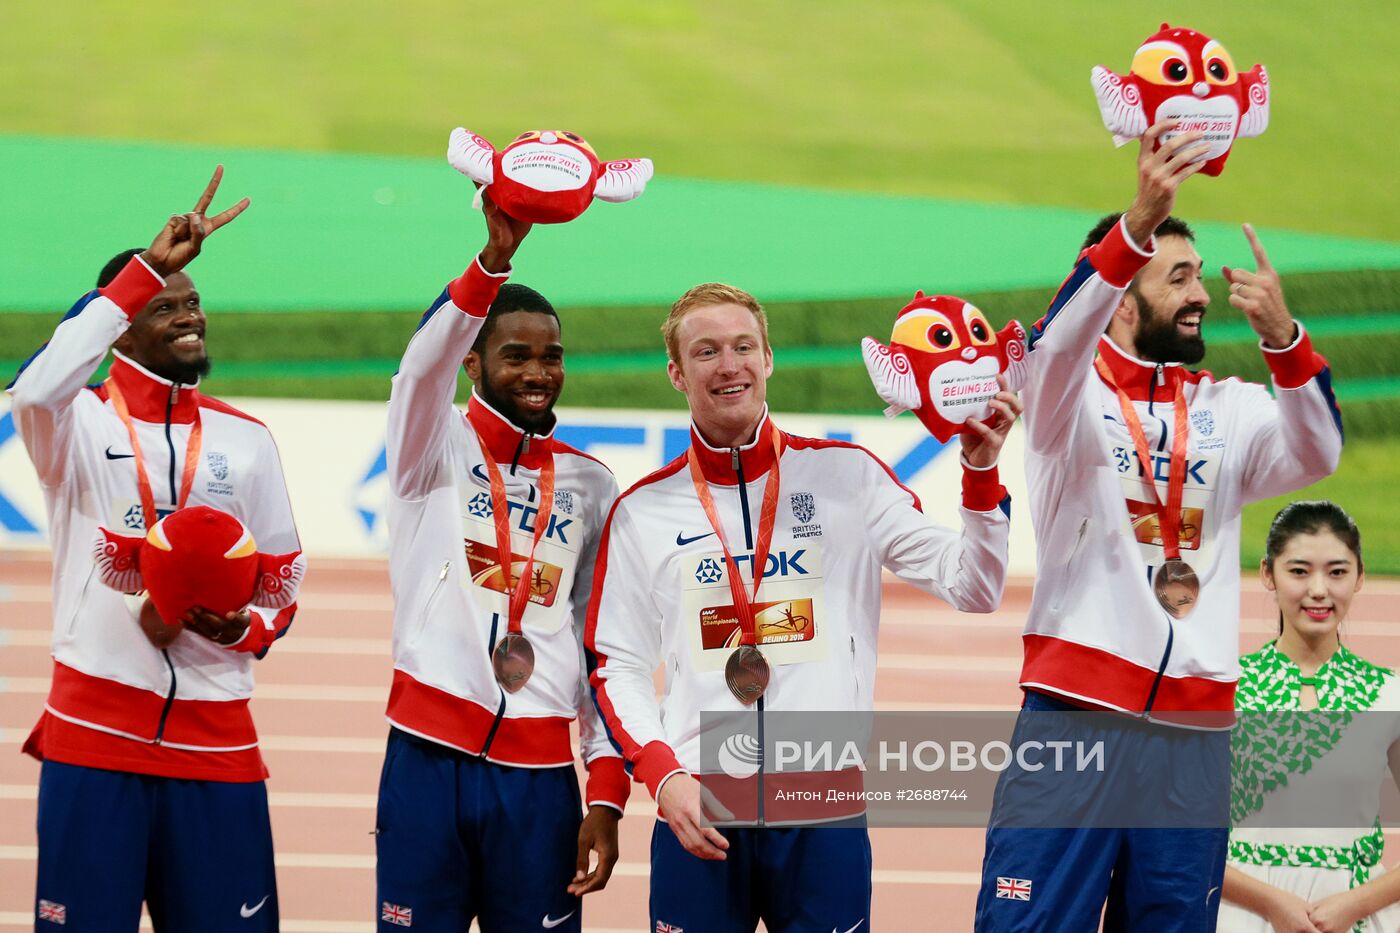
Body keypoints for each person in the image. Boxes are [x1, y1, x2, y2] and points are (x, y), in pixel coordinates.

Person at [975, 121, 1346, 931]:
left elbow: (1319, 451)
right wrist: (1136, 222)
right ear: (1123, 298)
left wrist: (1285, 339)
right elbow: (1057, 342)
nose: (1202, 293)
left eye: (1199, 277)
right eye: (1178, 277)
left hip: (1194, 739)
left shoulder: (1232, 407)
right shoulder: (1063, 402)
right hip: (1077, 715)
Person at [585, 281, 1019, 932]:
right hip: (701, 799)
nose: (728, 365)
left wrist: (980, 473)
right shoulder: (642, 510)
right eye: (706, 351)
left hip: (824, 802)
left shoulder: (850, 477)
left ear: (769, 359)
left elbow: (976, 587)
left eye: (743, 346)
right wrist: (661, 772)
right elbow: (614, 662)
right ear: (677, 371)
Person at [7, 168, 301, 931]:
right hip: (94, 740)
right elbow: (33, 390)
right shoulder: (77, 425)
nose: (187, 314)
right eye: (163, 306)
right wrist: (146, 268)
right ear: (123, 326)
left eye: (194, 302)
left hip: (218, 742)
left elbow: (281, 580)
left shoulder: (248, 441)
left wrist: (243, 629)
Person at [374, 189, 627, 933]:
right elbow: (420, 368)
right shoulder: (432, 447)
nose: (537, 372)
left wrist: (605, 786)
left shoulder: (589, 484)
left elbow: (603, 644)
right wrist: (491, 262)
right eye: (515, 355)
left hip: (541, 779)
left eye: (552, 356)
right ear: (474, 362)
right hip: (427, 760)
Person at [1220, 502, 1400, 933]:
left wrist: (1354, 904)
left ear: (1359, 577)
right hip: (1242, 914)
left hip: (1355, 917)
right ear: (1268, 574)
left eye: (1337, 572)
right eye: (1299, 571)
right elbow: (1180, 834)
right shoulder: (1225, 690)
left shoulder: (1389, 693)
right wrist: (1270, 902)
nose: (1318, 590)